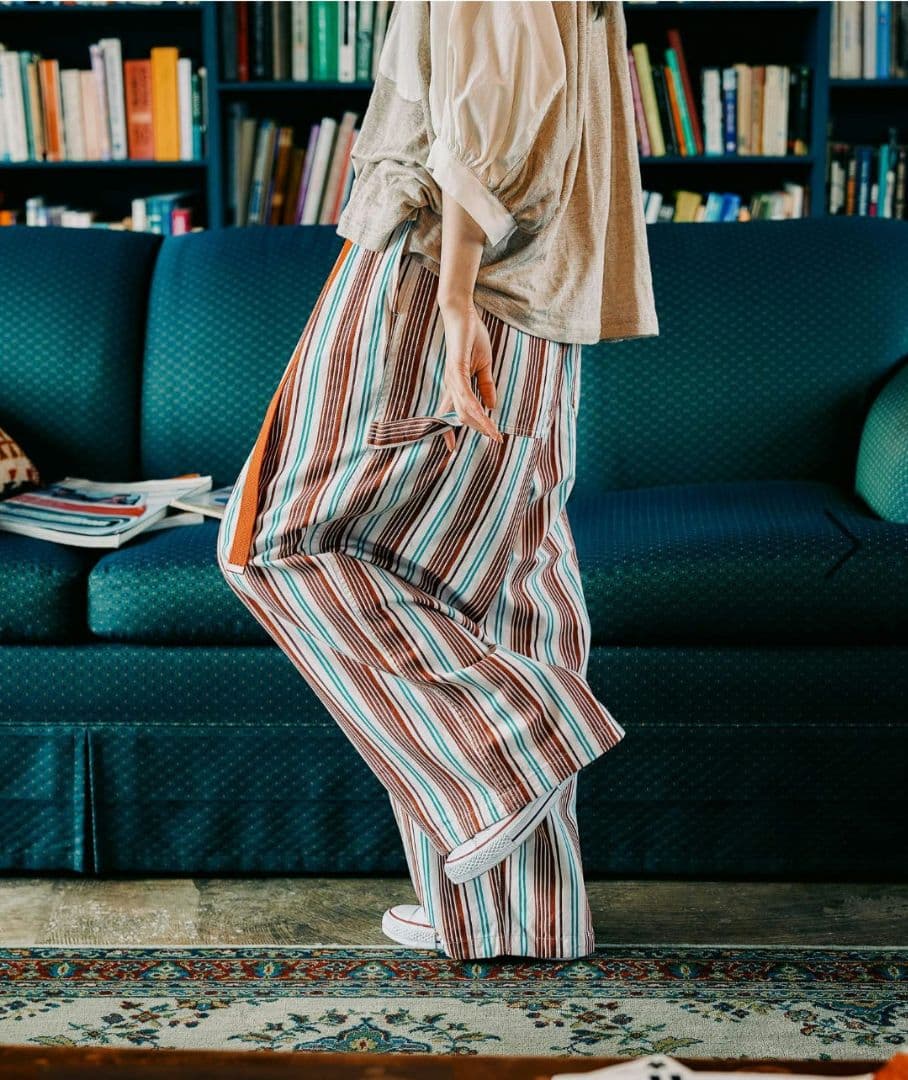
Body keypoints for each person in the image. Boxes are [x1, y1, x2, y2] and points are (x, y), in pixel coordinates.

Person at [216, 0, 659, 961]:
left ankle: (510, 749)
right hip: (544, 291)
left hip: (434, 273)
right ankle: (517, 914)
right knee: (495, 581)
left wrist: (455, 298)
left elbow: (492, 103)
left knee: (276, 537)